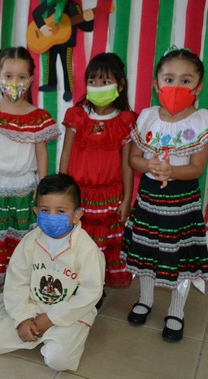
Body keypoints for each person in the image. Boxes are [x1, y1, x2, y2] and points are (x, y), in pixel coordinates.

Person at [122, 47, 208, 341]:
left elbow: (196, 168)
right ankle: (145, 299)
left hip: (182, 205)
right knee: (146, 252)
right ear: (157, 85)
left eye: (185, 80)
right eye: (169, 79)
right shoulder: (147, 117)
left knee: (180, 258)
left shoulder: (203, 122)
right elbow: (134, 158)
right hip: (149, 200)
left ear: (198, 86)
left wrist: (171, 172)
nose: (176, 86)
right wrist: (150, 165)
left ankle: (176, 311)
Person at [0, 174, 105, 372]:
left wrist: (51, 319)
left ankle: (58, 334)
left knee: (58, 361)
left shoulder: (87, 249)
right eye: (45, 210)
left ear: (76, 215)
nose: (52, 216)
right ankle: (4, 307)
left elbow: (90, 293)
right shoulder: (30, 241)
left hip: (69, 312)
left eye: (60, 211)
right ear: (35, 212)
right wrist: (23, 318)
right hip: (33, 304)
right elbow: (17, 281)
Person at [0, 46, 61, 288]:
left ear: (31, 80)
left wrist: (42, 187)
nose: (15, 82)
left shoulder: (38, 116)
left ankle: (20, 281)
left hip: (25, 186)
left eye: (21, 77)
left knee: (21, 233)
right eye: (9, 76)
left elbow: (41, 153)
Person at [60, 52, 137, 289]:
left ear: (120, 85)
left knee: (101, 246)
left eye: (105, 82)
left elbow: (127, 164)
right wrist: (61, 191)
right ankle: (74, 283)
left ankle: (96, 287)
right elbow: (66, 154)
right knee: (77, 243)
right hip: (78, 193)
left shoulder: (125, 121)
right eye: (92, 82)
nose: (97, 87)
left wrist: (126, 199)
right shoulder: (77, 116)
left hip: (109, 197)